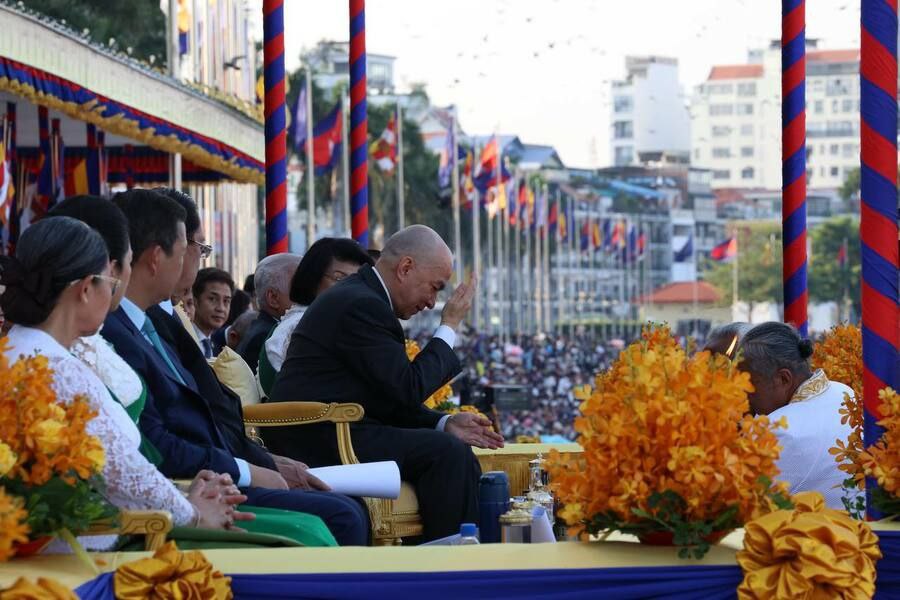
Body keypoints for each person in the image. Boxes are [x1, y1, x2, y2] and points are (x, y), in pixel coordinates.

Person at [48, 195, 338, 548]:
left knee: (324, 521)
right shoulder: (71, 356)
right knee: (320, 526)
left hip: (180, 490)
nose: (118, 283)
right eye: (115, 270)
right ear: (87, 286)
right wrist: (193, 508)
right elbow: (134, 458)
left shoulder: (104, 339)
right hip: (138, 521)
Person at [0, 216, 253, 551]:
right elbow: (120, 473)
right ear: (86, 289)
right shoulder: (58, 368)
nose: (113, 293)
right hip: (102, 543)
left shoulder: (19, 349)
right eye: (111, 282)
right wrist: (194, 514)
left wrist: (184, 493)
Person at [267, 225, 504, 541]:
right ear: (405, 268)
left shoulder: (363, 296)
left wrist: (444, 422)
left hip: (339, 427)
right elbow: (408, 388)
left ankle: (451, 551)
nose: (432, 302)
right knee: (448, 454)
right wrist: (449, 325)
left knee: (450, 446)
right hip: (321, 435)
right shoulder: (362, 303)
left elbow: (388, 394)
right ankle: (450, 562)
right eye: (434, 287)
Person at [738, 322, 852, 508]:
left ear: (783, 379)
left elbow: (744, 506)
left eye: (748, 384)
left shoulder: (776, 431)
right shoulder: (844, 391)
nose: (743, 393)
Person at [258, 237, 373, 396]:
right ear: (313, 278)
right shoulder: (304, 324)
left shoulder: (307, 319)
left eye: (357, 281)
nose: (350, 288)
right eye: (339, 278)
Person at [238, 253, 300, 372]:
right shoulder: (268, 337)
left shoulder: (264, 328)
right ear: (273, 298)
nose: (309, 296)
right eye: (300, 289)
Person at [192, 268, 233, 358]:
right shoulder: (182, 340)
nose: (221, 308)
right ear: (195, 301)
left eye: (226, 301)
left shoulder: (219, 349)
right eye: (212, 299)